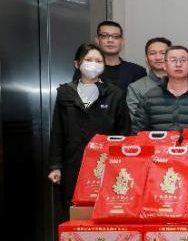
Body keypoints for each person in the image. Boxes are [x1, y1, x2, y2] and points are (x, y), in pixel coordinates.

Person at [48, 43, 130, 210]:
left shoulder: (114, 93)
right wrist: (55, 166)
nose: (94, 64)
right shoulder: (65, 92)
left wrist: (122, 164)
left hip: (106, 164)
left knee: (104, 209)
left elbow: (124, 131)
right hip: (73, 162)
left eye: (98, 61)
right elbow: (57, 131)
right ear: (77, 63)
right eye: (88, 60)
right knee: (74, 209)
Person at [132, 45, 188, 133]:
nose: (178, 64)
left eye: (183, 60)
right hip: (159, 142)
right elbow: (137, 132)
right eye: (173, 60)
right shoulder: (149, 97)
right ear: (165, 65)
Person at [93, 20, 146, 90]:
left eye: (116, 36)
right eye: (104, 36)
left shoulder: (137, 71)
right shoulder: (87, 69)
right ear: (97, 40)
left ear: (122, 41)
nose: (110, 40)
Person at [126, 37, 171, 116]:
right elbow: (136, 118)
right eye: (153, 53)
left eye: (163, 53)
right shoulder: (136, 88)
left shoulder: (184, 84)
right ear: (146, 59)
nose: (158, 57)